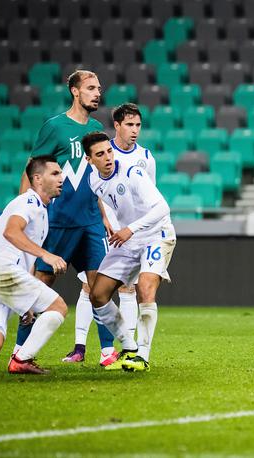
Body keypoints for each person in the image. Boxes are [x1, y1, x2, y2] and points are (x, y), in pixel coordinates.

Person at [16, 70, 119, 366]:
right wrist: (26, 209)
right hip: (58, 223)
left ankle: (108, 352)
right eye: (90, 88)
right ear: (75, 91)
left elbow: (95, 179)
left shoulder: (98, 127)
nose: (97, 93)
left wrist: (105, 216)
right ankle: (21, 353)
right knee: (39, 289)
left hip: (90, 224)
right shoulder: (56, 127)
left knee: (101, 287)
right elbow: (32, 167)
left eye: (98, 88)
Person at [63, 103, 156, 363]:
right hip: (108, 229)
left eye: (138, 125)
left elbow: (150, 195)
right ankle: (80, 346)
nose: (135, 130)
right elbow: (96, 190)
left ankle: (125, 348)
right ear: (116, 126)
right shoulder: (103, 151)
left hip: (132, 233)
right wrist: (104, 218)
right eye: (129, 124)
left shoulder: (146, 158)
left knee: (128, 288)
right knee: (89, 285)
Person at [83, 131, 176, 372]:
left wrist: (130, 229)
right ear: (89, 159)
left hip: (156, 235)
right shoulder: (94, 180)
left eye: (109, 151)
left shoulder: (132, 172)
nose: (107, 157)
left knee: (145, 287)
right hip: (127, 241)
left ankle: (142, 357)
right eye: (100, 154)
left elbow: (162, 208)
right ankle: (129, 347)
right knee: (98, 295)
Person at [0, 156, 67, 374]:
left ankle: (21, 359)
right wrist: (47, 255)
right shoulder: (28, 202)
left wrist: (27, 303)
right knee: (58, 307)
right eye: (55, 173)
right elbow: (11, 231)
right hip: (2, 271)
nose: (62, 178)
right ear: (38, 179)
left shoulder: (41, 209)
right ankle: (21, 360)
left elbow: (26, 258)